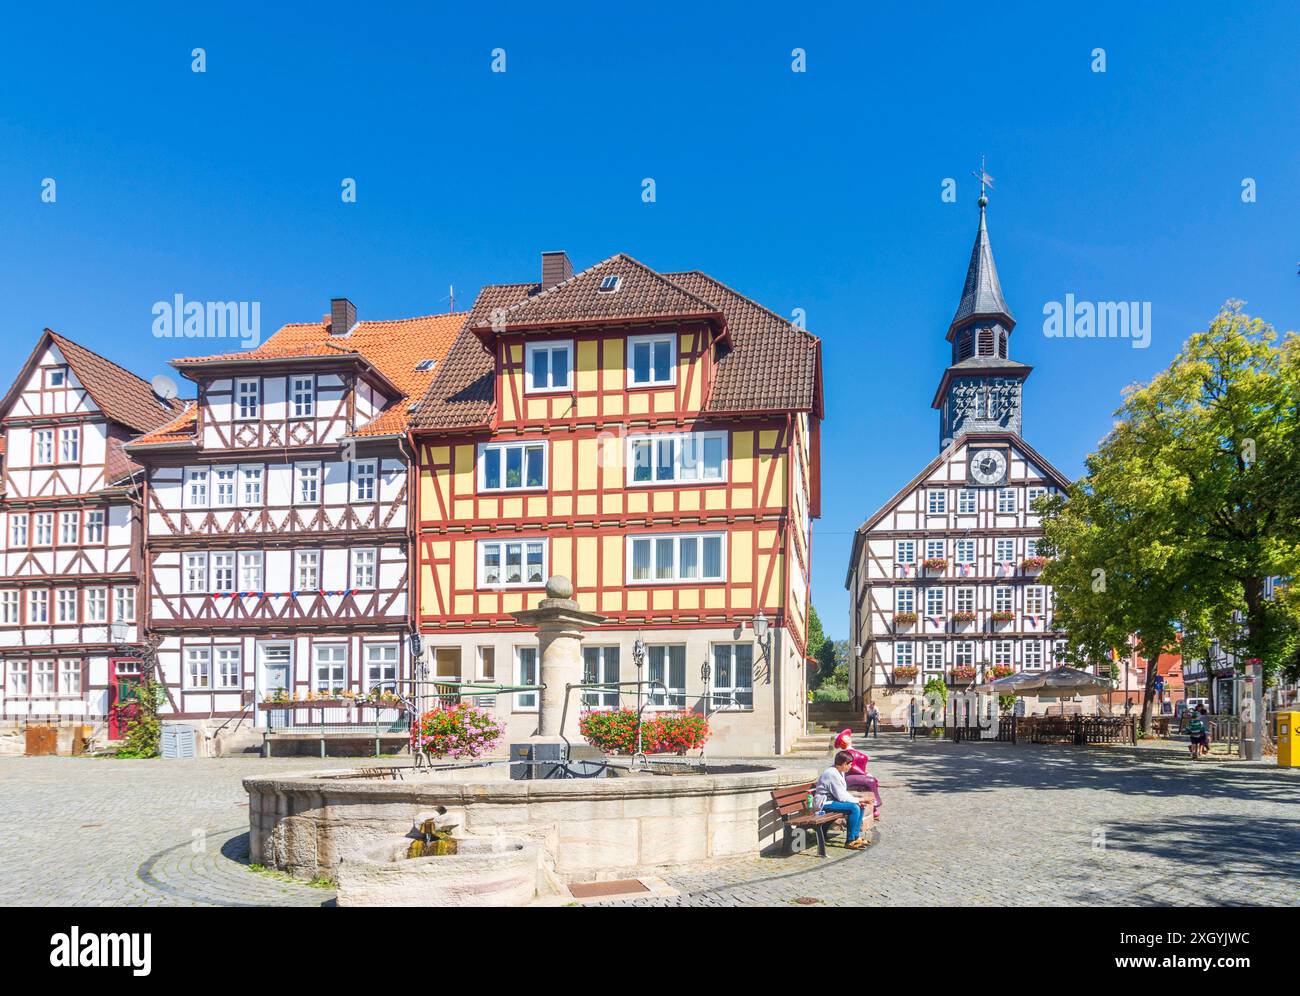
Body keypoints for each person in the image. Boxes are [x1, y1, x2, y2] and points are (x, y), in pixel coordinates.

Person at [813, 750, 868, 850]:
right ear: (843, 764)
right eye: (849, 764)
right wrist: (858, 800)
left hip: (832, 801)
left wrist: (859, 801)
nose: (851, 766)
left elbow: (842, 793)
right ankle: (850, 841)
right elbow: (841, 796)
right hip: (823, 803)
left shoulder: (839, 771)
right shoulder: (831, 773)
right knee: (854, 808)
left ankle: (856, 837)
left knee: (860, 806)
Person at [834, 729, 882, 820]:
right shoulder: (846, 754)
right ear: (842, 742)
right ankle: (875, 805)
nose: (849, 738)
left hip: (857, 775)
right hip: (849, 777)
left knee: (872, 781)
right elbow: (852, 767)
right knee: (871, 780)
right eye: (845, 738)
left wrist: (865, 773)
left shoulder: (852, 751)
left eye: (848, 737)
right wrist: (865, 774)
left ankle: (874, 807)